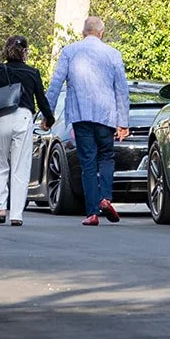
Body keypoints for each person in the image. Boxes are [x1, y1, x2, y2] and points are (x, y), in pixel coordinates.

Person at [46, 16, 130, 227]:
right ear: (101, 33)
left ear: (83, 32)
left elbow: (56, 82)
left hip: (80, 115)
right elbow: (121, 90)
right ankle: (106, 198)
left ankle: (92, 212)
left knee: (88, 163)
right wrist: (123, 122)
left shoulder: (70, 52)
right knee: (107, 158)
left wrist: (48, 115)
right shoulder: (113, 54)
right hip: (106, 116)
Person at [0, 36, 53, 227]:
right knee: (21, 167)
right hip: (23, 117)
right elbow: (42, 100)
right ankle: (17, 215)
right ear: (24, 52)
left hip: (1, 117)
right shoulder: (32, 73)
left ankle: (2, 207)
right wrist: (49, 119)